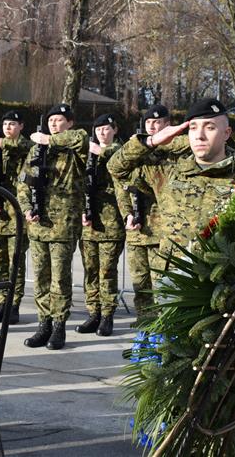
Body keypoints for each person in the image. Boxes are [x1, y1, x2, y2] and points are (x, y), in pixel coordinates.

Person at [108, 98, 235, 263]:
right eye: (193, 128)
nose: (199, 136)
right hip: (170, 279)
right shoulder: (170, 172)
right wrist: (151, 141)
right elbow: (115, 168)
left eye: (210, 127)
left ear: (226, 133)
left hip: (218, 280)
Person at [108, 104, 190, 325]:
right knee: (140, 281)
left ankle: (159, 324)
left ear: (168, 124)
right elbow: (120, 184)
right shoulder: (136, 151)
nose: (153, 126)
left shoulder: (176, 148)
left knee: (160, 281)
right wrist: (126, 214)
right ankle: (144, 320)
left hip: (160, 231)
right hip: (136, 230)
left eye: (158, 122)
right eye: (149, 123)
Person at [17, 103, 88, 350]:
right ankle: (43, 323)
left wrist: (49, 140)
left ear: (69, 123)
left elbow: (81, 139)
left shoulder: (74, 150)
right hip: (38, 226)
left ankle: (59, 325)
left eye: (59, 120)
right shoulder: (37, 151)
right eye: (51, 121)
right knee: (41, 279)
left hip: (62, 226)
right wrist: (27, 208)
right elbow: (23, 183)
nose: (54, 124)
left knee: (60, 279)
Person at [75, 114, 126, 336]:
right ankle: (93, 312)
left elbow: (120, 166)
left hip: (111, 224)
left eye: (106, 129)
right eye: (98, 130)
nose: (102, 133)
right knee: (90, 271)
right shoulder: (88, 154)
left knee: (107, 272)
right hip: (89, 224)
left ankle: (107, 315)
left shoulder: (120, 151)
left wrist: (100, 153)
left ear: (115, 129)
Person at [0, 110, 33, 325]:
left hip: (16, 217)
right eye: (5, 124)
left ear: (21, 126)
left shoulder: (26, 148)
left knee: (16, 264)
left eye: (12, 124)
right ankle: (1, 302)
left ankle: (13, 305)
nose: (8, 128)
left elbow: (23, 147)